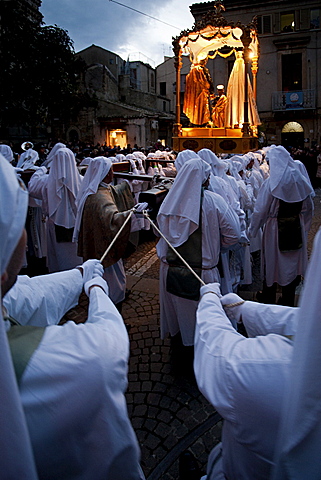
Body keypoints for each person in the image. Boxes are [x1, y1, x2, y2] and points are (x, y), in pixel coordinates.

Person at [1, 157, 145, 479]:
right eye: (17, 228)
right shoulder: (60, 368)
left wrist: (79, 274)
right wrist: (95, 289)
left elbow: (25, 294)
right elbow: (105, 350)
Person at [156, 158, 240, 349]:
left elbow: (159, 232)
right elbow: (233, 234)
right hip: (203, 273)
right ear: (204, 179)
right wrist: (216, 247)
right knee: (204, 322)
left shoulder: (169, 201)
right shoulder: (214, 201)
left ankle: (180, 346)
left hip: (170, 271)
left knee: (178, 317)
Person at [74, 156, 147, 307]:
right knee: (114, 285)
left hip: (97, 245)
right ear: (107, 173)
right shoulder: (100, 198)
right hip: (105, 250)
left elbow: (114, 191)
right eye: (112, 170)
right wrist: (133, 213)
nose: (113, 173)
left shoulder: (96, 191)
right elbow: (113, 220)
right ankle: (113, 312)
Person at [249, 145, 314, 306]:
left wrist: (252, 231)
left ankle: (269, 297)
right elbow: (308, 208)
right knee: (292, 264)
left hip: (274, 229)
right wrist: (304, 227)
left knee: (273, 263)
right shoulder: (301, 180)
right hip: (295, 226)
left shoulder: (272, 183)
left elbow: (260, 211)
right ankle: (288, 299)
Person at [28, 146, 83, 272]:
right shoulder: (81, 180)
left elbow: (31, 187)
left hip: (55, 224)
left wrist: (41, 170)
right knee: (75, 257)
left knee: (58, 259)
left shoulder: (46, 181)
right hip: (76, 224)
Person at [224, 50, 260, 130]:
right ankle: (238, 120)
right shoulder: (239, 67)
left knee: (242, 93)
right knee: (239, 94)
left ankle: (239, 120)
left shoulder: (241, 67)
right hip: (238, 73)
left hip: (240, 73)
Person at [183, 57, 214, 126]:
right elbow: (208, 81)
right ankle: (203, 121)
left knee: (195, 107)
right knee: (202, 107)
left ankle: (194, 121)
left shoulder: (192, 71)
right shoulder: (202, 70)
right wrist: (211, 91)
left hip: (193, 94)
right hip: (201, 92)